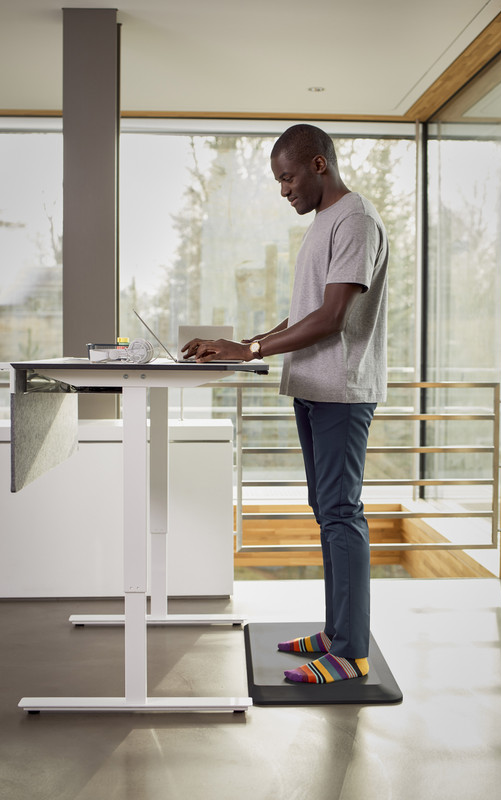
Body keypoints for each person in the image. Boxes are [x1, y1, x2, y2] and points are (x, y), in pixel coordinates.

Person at [182, 124, 388, 684]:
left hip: (342, 390)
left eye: (288, 177)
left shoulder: (356, 220)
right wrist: (242, 347)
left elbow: (331, 319)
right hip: (313, 388)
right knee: (327, 512)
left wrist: (249, 348)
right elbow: (304, 313)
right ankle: (336, 632)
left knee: (342, 514)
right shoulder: (325, 221)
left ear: (319, 165)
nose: (283, 190)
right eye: (278, 180)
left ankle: (349, 653)